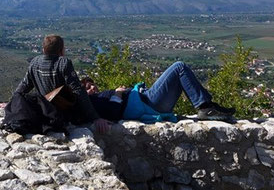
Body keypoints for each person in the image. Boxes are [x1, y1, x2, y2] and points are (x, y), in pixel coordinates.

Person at [15, 35, 110, 133]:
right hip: (63, 113)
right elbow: (78, 90)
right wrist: (95, 118)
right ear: (61, 50)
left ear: (44, 49)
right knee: (106, 97)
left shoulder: (34, 62)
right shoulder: (63, 63)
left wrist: (13, 101)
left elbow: (25, 85)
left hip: (44, 110)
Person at [82, 61, 235, 121]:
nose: (93, 87)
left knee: (179, 75)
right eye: (87, 88)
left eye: (92, 84)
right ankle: (205, 108)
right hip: (149, 102)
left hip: (147, 100)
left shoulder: (97, 98)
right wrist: (118, 93)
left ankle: (208, 105)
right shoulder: (95, 101)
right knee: (179, 68)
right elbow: (112, 112)